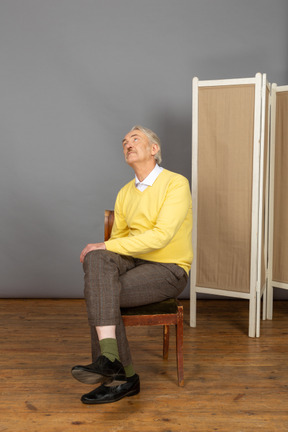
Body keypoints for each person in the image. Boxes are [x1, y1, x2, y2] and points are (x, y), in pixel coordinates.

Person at [71, 125, 193, 404]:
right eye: (124, 141)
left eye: (135, 139)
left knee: (99, 292)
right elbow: (119, 242)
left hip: (168, 268)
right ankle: (111, 362)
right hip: (135, 264)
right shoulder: (125, 192)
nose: (127, 143)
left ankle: (121, 377)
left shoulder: (176, 183)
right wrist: (100, 250)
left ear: (154, 149)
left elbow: (162, 236)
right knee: (97, 261)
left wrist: (104, 245)